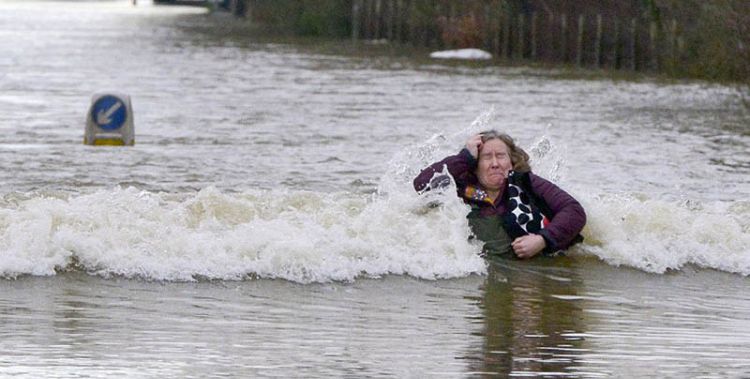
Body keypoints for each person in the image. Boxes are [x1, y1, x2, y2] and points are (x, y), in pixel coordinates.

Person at [413, 130, 586, 259]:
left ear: (511, 162)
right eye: (487, 157)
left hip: (535, 270)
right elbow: (421, 185)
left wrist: (543, 240)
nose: (495, 163)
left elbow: (574, 211)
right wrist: (464, 158)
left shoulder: (527, 183)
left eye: (501, 156)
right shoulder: (461, 188)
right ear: (475, 164)